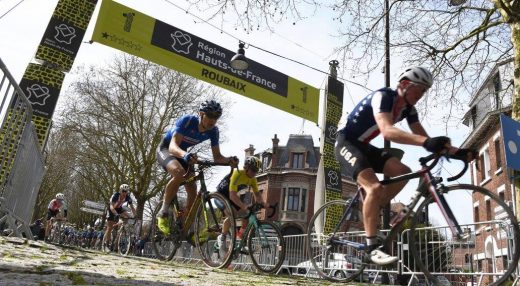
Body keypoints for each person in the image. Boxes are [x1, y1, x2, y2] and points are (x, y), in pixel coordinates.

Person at [334, 66, 475, 265]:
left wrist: (458, 152)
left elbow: (425, 138)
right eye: (420, 89)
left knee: (403, 171)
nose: (421, 94)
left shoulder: (408, 110)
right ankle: (371, 248)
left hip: (364, 146)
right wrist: (427, 143)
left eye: (425, 91)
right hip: (345, 142)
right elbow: (388, 131)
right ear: (405, 85)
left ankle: (375, 205)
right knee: (374, 187)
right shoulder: (383, 97)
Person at [156, 100, 239, 235]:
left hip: (184, 154)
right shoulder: (187, 121)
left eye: (216, 117)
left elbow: (217, 157)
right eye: (210, 116)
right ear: (201, 114)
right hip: (167, 149)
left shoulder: (213, 131)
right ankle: (163, 211)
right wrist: (186, 155)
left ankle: (185, 225)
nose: (213, 120)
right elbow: (173, 146)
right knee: (179, 172)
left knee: (193, 190)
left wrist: (229, 160)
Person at [216, 156, 268, 252]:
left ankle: (240, 240)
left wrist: (263, 203)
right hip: (220, 195)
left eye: (256, 171)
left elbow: (257, 194)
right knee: (233, 214)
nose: (254, 173)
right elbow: (232, 196)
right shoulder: (237, 174)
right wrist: (244, 206)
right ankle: (222, 237)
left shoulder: (253, 179)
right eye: (253, 170)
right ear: (246, 167)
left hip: (232, 196)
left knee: (247, 215)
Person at [102, 184, 137, 248]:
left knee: (128, 215)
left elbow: (132, 208)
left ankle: (123, 228)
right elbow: (112, 207)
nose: (124, 193)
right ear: (120, 190)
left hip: (119, 209)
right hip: (111, 209)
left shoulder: (128, 197)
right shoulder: (115, 195)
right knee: (110, 227)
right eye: (123, 191)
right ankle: (106, 244)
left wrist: (135, 216)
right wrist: (116, 214)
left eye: (126, 191)